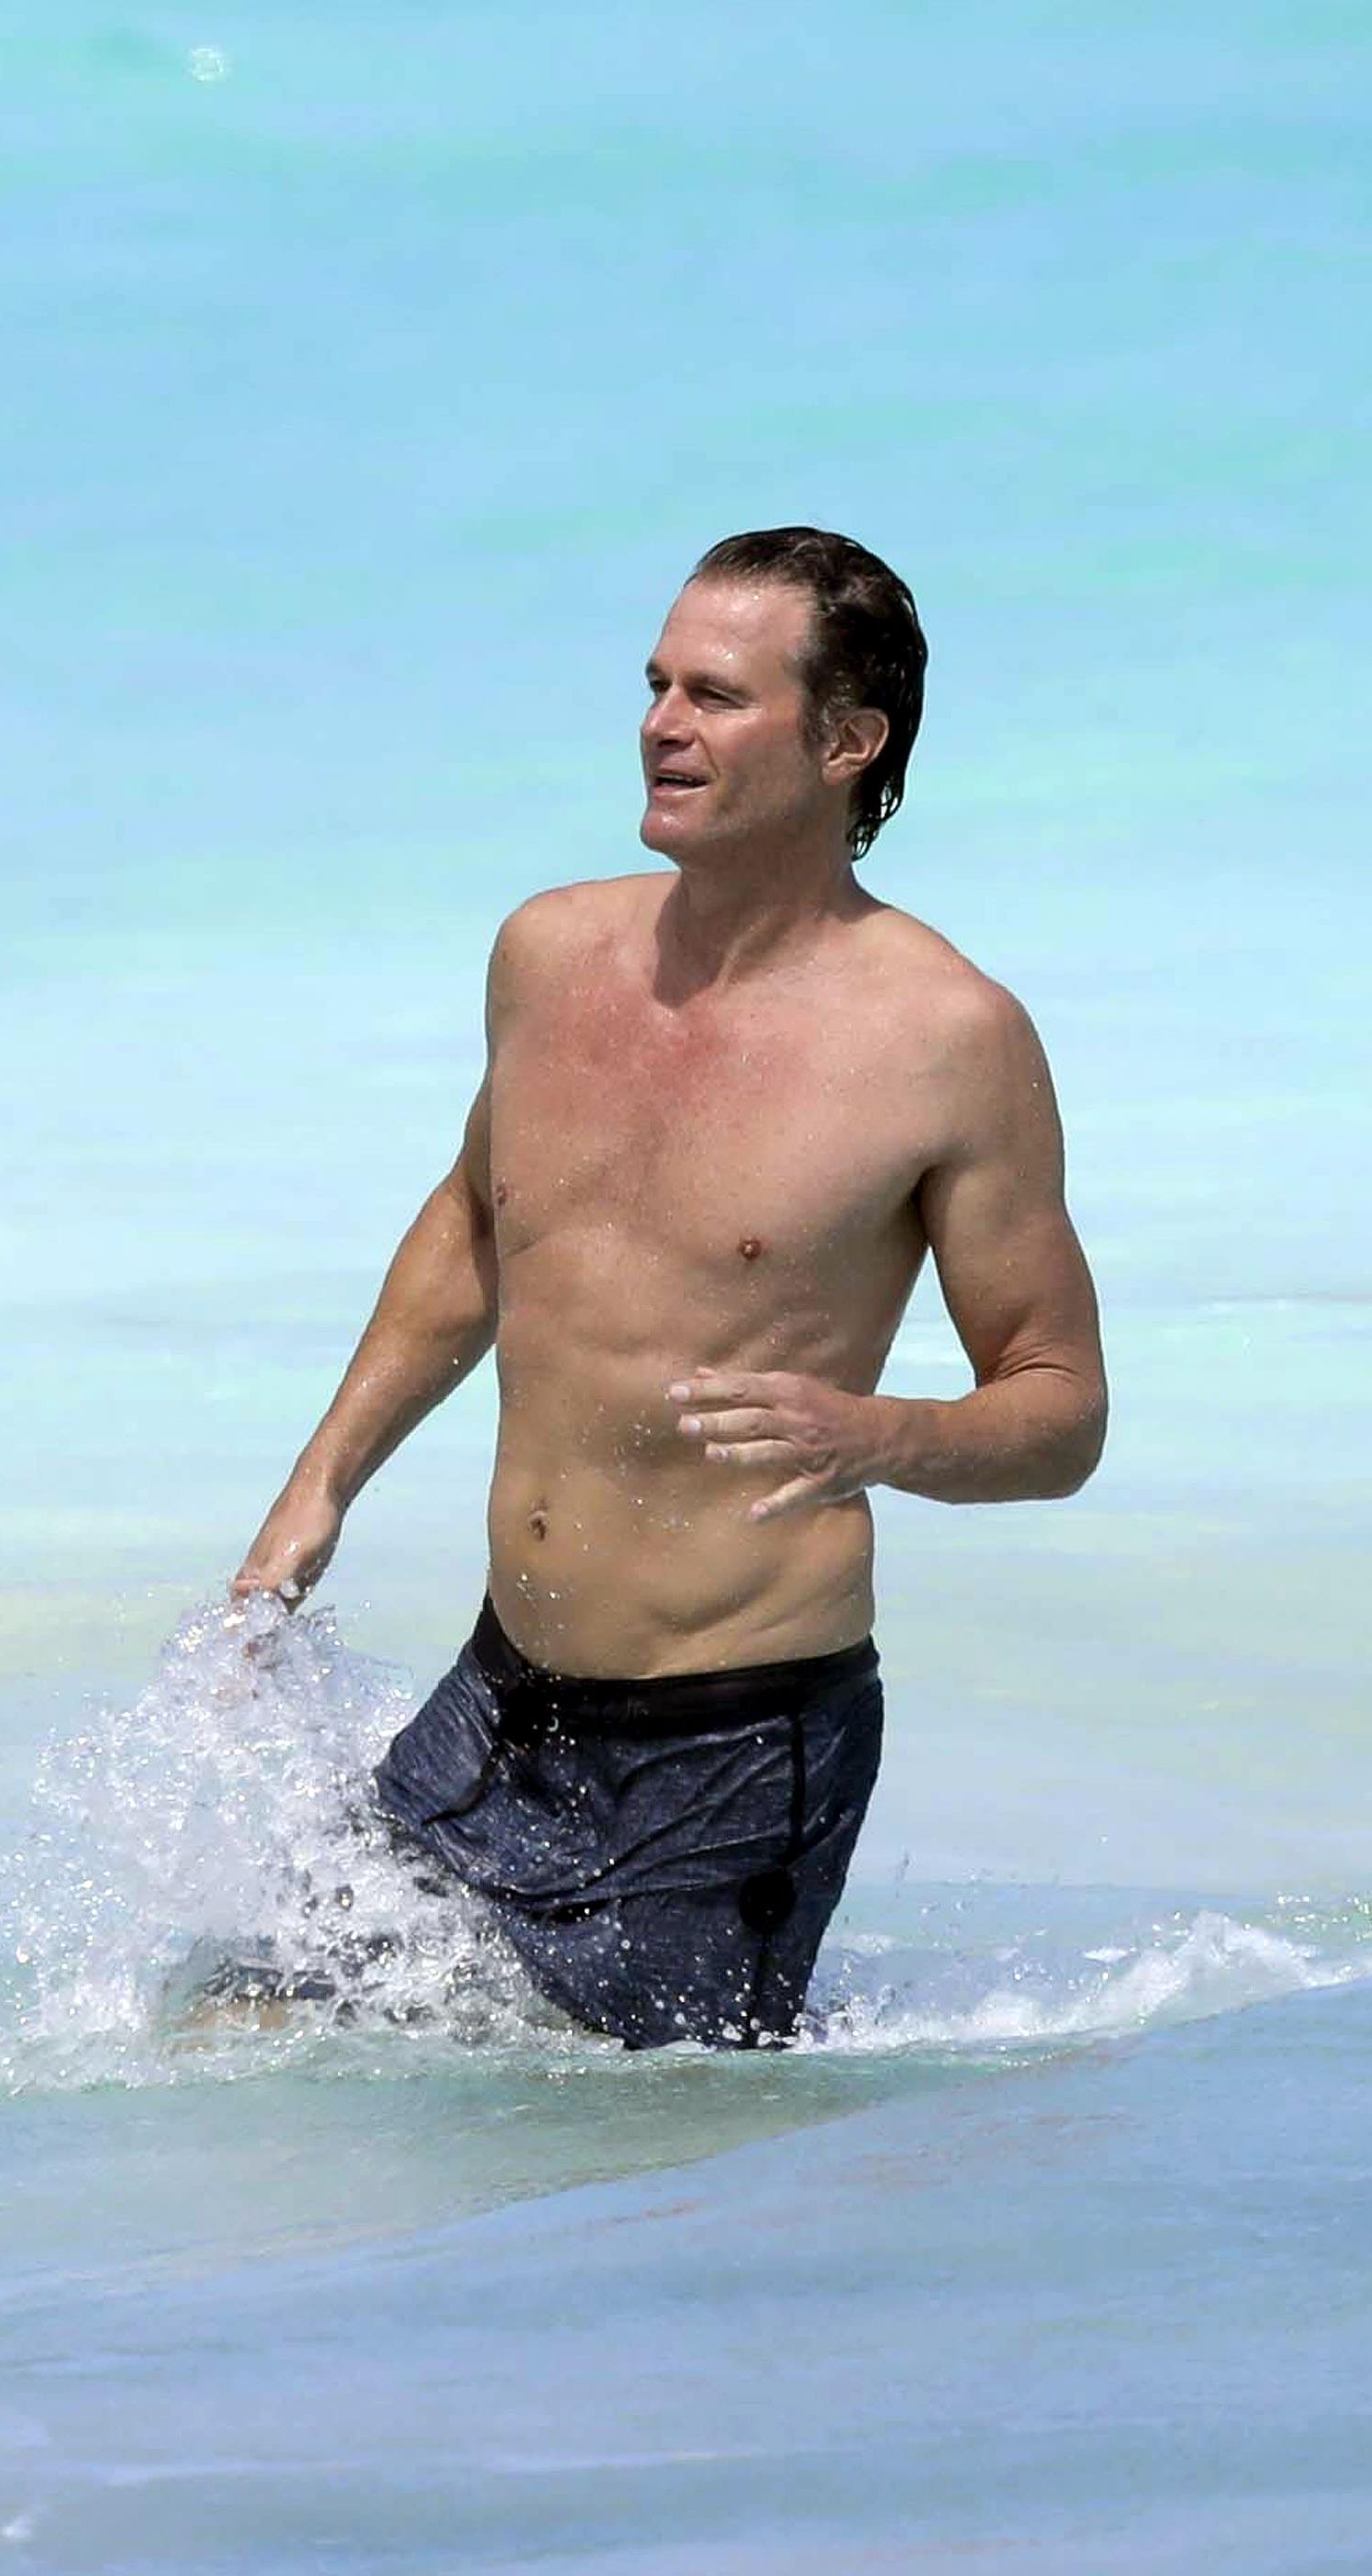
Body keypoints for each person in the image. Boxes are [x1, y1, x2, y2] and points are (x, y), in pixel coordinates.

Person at [213, 530, 1106, 2048]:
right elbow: (477, 1230)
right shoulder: (549, 955)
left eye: (716, 694)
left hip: (734, 1751)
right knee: (245, 2028)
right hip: (502, 1701)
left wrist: (875, 1434)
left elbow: (1059, 1408)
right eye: (655, 684)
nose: (662, 725)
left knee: (637, 2189)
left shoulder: (948, 1039)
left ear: (846, 741)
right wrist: (319, 1488)